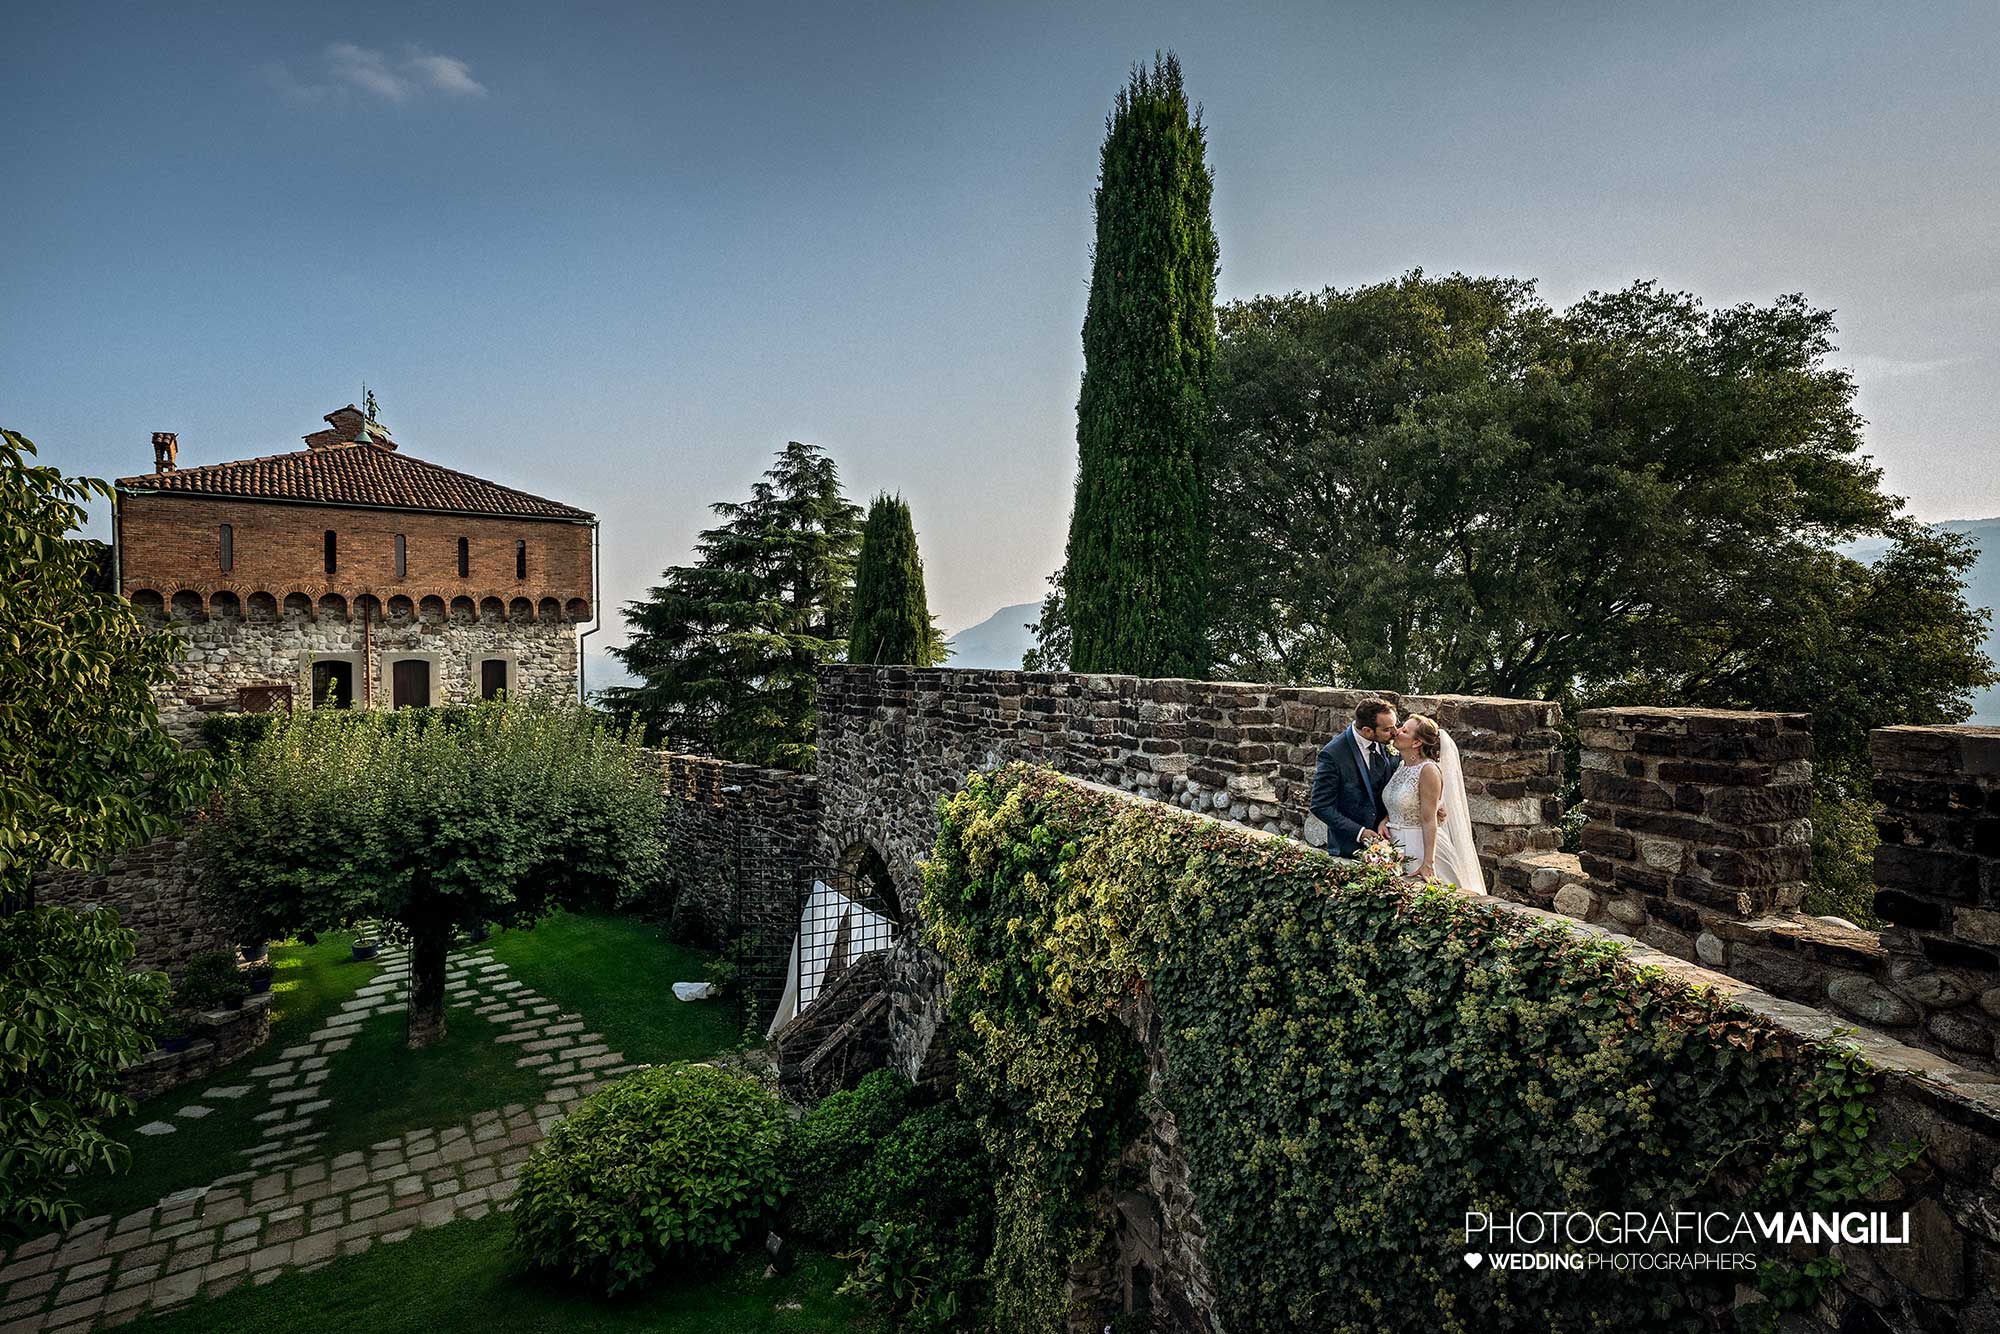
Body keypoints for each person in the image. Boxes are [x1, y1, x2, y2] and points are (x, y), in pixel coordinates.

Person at [1376, 713, 1487, 894]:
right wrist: (1386, 820)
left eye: (1405, 730)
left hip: (1418, 846)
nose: (1397, 731)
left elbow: (1429, 820)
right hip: (1395, 846)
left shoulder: (1428, 770)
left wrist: (1428, 863)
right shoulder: (1402, 766)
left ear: (1417, 742)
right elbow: (1402, 802)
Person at [1309, 698, 1401, 858]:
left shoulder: (1390, 743)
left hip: (1392, 842)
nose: (1395, 732)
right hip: (1349, 849)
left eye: (1395, 725)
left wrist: (1386, 818)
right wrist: (1360, 832)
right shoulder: (1333, 754)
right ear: (1367, 731)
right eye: (1387, 729)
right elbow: (1320, 805)